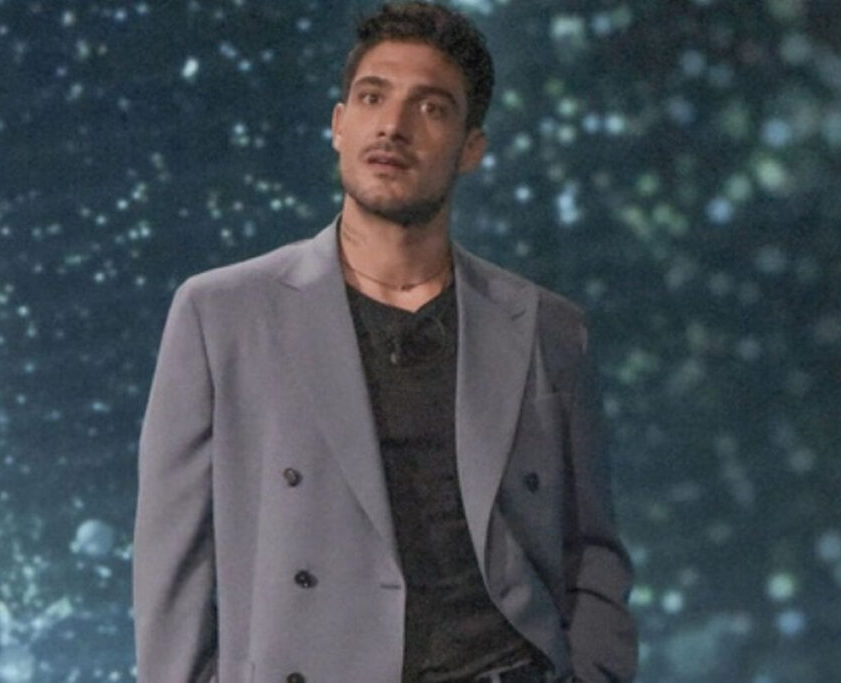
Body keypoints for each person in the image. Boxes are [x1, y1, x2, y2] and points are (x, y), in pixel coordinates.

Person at [133, 2, 637, 681]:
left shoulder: (549, 328)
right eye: (373, 97)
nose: (393, 126)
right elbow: (172, 567)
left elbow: (590, 548)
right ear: (340, 124)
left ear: (471, 148)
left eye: (430, 108)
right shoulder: (221, 315)